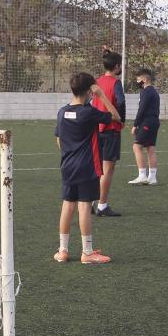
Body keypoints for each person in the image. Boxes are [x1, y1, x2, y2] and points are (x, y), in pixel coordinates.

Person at [54, 72, 118, 264]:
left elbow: (59, 140)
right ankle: (87, 252)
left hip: (67, 165)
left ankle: (63, 250)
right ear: (90, 90)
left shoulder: (62, 112)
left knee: (67, 205)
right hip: (86, 166)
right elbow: (115, 116)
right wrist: (102, 96)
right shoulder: (88, 112)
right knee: (83, 206)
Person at [91, 47, 126, 217]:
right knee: (107, 170)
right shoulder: (115, 83)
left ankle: (90, 200)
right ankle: (102, 205)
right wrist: (122, 120)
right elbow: (120, 102)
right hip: (111, 129)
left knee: (97, 169)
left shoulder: (97, 82)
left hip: (96, 129)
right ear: (117, 66)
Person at [128, 68, 161, 185]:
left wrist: (135, 125)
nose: (137, 82)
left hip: (147, 122)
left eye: (138, 79)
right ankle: (152, 177)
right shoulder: (154, 92)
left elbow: (141, 109)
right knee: (150, 148)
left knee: (136, 147)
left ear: (145, 79)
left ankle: (142, 175)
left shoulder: (146, 92)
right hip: (154, 122)